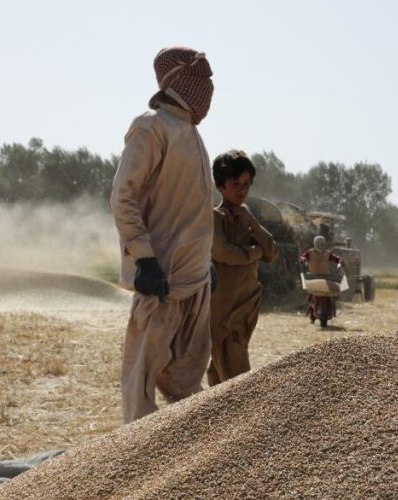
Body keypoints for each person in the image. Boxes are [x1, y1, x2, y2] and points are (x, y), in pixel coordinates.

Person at [110, 47, 215, 423]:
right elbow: (123, 198)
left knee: (186, 379)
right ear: (176, 81)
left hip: (196, 278)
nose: (208, 89)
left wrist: (208, 259)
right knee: (142, 376)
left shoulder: (191, 133)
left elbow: (193, 209)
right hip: (163, 276)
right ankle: (137, 461)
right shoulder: (150, 127)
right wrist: (145, 258)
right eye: (201, 79)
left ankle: (183, 463)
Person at [208, 150, 278, 386]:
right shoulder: (215, 218)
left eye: (247, 184)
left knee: (220, 376)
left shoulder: (246, 219)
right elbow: (223, 252)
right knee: (238, 383)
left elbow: (272, 252)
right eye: (235, 183)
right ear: (220, 185)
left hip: (246, 307)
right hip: (225, 312)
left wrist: (252, 222)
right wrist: (254, 253)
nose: (242, 189)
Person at [300, 235, 343, 324]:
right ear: (315, 244)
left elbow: (336, 258)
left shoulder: (328, 253)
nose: (320, 246)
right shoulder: (310, 252)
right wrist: (303, 259)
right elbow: (303, 256)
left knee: (331, 295)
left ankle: (331, 310)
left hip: (325, 277)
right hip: (313, 277)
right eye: (319, 244)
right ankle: (312, 316)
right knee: (311, 296)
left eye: (322, 244)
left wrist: (340, 260)